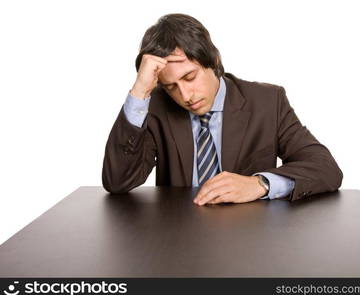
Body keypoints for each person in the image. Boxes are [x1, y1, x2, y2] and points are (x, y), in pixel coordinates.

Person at [102, 13, 343, 205]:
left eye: (190, 77)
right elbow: (117, 181)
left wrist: (259, 184)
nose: (185, 96)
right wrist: (140, 92)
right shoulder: (154, 107)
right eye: (171, 86)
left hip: (251, 239)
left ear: (214, 60)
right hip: (176, 237)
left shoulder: (268, 101)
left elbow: (325, 167)